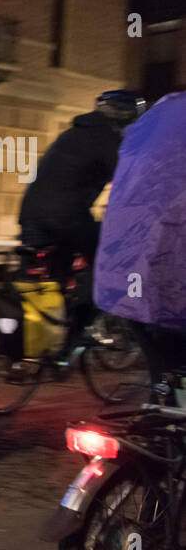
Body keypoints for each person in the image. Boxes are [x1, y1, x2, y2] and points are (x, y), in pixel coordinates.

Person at [20, 89, 146, 349]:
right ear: (126, 118)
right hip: (66, 216)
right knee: (108, 269)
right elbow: (130, 182)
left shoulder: (73, 133)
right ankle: (73, 337)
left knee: (58, 280)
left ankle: (51, 343)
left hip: (31, 214)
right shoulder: (106, 140)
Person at [93, 90, 186, 387]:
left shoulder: (159, 116)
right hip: (171, 288)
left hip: (129, 289)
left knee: (163, 371)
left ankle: (162, 397)